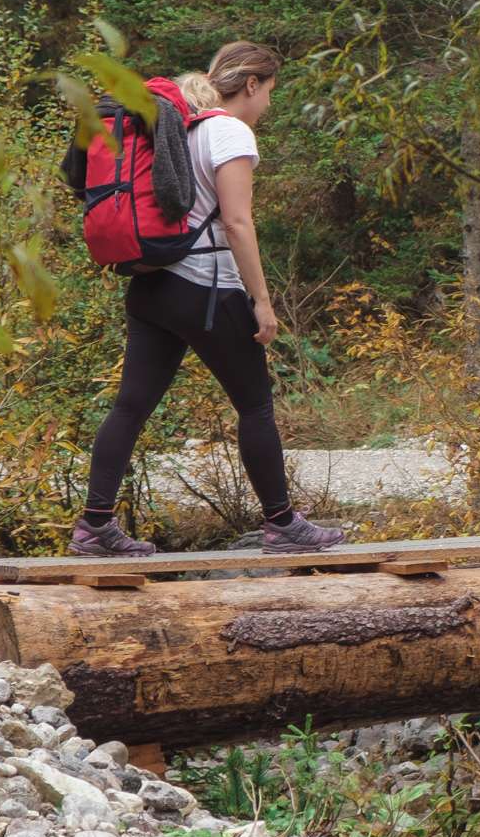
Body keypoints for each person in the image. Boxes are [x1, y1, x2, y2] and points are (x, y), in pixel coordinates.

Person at [71, 39, 347, 556]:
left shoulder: (182, 126)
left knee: (131, 406)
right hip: (205, 288)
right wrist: (261, 301)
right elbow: (238, 223)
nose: (268, 104)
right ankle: (283, 524)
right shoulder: (229, 132)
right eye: (269, 92)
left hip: (152, 286)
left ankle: (94, 525)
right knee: (256, 405)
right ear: (250, 85)